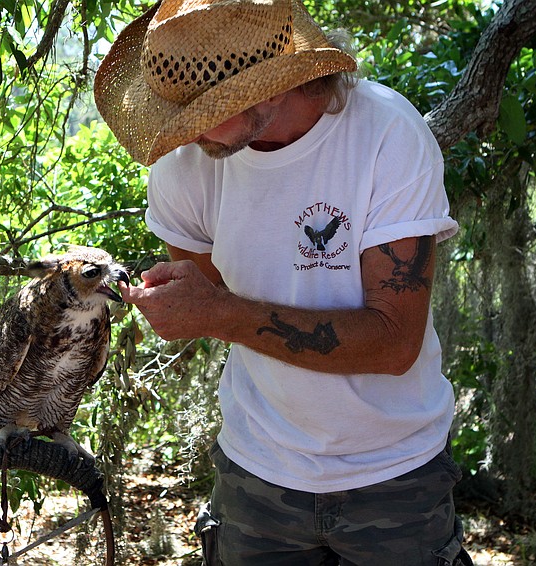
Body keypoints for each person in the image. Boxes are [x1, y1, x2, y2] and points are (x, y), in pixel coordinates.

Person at [94, 0, 472, 564]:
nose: (182, 133)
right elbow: (214, 305)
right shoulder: (186, 167)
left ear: (266, 87)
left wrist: (218, 312)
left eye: (200, 111)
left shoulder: (387, 135)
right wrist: (189, 307)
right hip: (257, 471)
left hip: (394, 473)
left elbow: (394, 343)